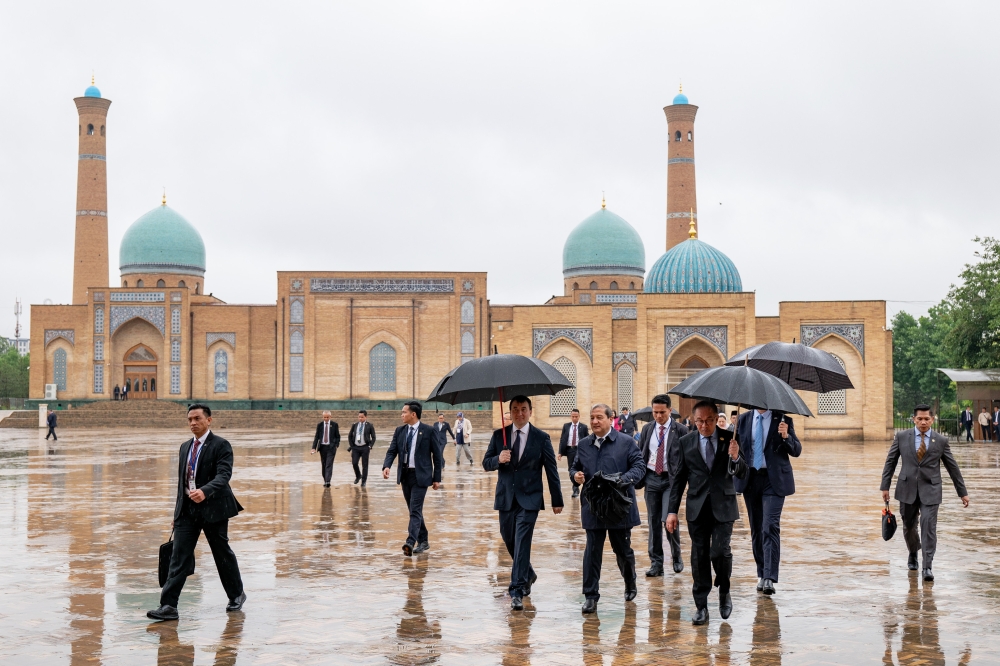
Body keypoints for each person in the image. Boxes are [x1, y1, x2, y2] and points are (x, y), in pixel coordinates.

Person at [147, 404, 245, 621]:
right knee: (178, 557)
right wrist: (177, 513)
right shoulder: (184, 447)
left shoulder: (221, 445)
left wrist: (205, 491)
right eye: (190, 419)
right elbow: (182, 483)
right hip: (188, 510)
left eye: (197, 419)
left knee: (222, 554)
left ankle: (236, 594)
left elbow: (224, 475)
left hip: (214, 507)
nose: (193, 423)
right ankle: (169, 606)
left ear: (209, 420)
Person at [665, 400, 748, 625]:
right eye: (699, 421)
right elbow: (679, 479)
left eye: (709, 420)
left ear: (715, 418)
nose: (704, 425)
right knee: (699, 556)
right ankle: (701, 605)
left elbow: (742, 473)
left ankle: (724, 590)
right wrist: (671, 511)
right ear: (693, 421)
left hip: (724, 506)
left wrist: (735, 456)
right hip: (697, 508)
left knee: (720, 552)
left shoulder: (730, 438)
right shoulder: (685, 442)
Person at [482, 395, 563, 611]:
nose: (519, 413)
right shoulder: (499, 435)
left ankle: (517, 589)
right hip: (506, 498)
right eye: (515, 409)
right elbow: (486, 463)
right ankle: (528, 572)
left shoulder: (541, 437)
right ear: (509, 412)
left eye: (523, 409)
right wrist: (498, 459)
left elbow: (551, 471)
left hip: (530, 498)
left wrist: (557, 499)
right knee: (509, 539)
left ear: (530, 411)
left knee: (522, 540)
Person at [880, 404, 969, 582]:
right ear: (914, 419)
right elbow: (890, 462)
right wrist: (885, 486)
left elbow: (953, 468)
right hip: (907, 489)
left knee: (928, 527)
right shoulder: (902, 437)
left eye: (926, 419)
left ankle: (927, 566)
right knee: (909, 526)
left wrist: (962, 492)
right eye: (919, 419)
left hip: (931, 490)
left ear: (932, 420)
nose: (923, 422)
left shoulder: (941, 441)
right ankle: (913, 552)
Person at [570, 404, 645, 614]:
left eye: (599, 417)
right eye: (592, 417)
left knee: (622, 551)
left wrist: (623, 479)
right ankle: (590, 596)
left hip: (618, 506)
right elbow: (575, 466)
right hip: (593, 506)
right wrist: (575, 476)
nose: (594, 422)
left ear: (611, 419)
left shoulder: (627, 442)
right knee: (592, 551)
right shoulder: (584, 444)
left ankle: (630, 581)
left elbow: (639, 467)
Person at [734, 408, 801, 596]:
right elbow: (737, 452)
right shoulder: (744, 419)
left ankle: (770, 577)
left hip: (774, 481)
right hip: (750, 479)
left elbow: (796, 450)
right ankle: (761, 573)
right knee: (756, 528)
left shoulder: (783, 418)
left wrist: (786, 436)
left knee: (769, 526)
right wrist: (733, 453)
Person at [636, 394, 688, 577]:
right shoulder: (647, 429)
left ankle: (676, 555)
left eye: (662, 412)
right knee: (653, 521)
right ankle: (656, 563)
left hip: (670, 481)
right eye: (655, 412)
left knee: (669, 520)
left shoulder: (680, 430)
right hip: (651, 478)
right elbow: (641, 453)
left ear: (670, 410)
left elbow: (687, 458)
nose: (658, 416)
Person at [382, 401, 443, 556]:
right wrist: (386, 466)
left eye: (404, 412)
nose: (402, 415)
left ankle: (410, 541)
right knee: (413, 509)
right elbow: (392, 451)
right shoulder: (400, 430)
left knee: (415, 510)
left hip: (421, 476)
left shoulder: (428, 431)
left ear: (413, 414)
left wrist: (437, 478)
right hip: (405, 475)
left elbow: (437, 456)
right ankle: (424, 540)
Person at [558, 408, 589, 498]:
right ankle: (575, 489)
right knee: (571, 469)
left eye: (576, 416)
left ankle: (584, 487)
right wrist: (560, 452)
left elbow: (587, 439)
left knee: (582, 468)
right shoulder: (566, 426)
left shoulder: (583, 427)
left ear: (579, 417)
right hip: (570, 450)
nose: (574, 418)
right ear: (571, 416)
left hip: (580, 450)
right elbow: (562, 439)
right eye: (573, 416)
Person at [311, 411, 340, 487]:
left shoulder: (334, 425)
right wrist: (313, 448)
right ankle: (325, 479)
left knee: (329, 464)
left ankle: (328, 481)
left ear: (330, 417)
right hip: (322, 447)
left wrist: (336, 445)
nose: (326, 418)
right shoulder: (320, 425)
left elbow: (338, 436)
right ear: (323, 417)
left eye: (327, 417)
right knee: (324, 464)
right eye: (324, 417)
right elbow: (316, 437)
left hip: (331, 448)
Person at [348, 410, 376, 486]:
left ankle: (364, 481)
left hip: (365, 447)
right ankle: (358, 476)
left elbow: (373, 437)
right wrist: (352, 446)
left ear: (366, 417)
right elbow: (350, 436)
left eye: (362, 417)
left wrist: (370, 446)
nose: (360, 418)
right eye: (359, 417)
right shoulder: (355, 425)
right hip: (356, 447)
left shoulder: (369, 425)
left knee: (365, 465)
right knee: (354, 463)